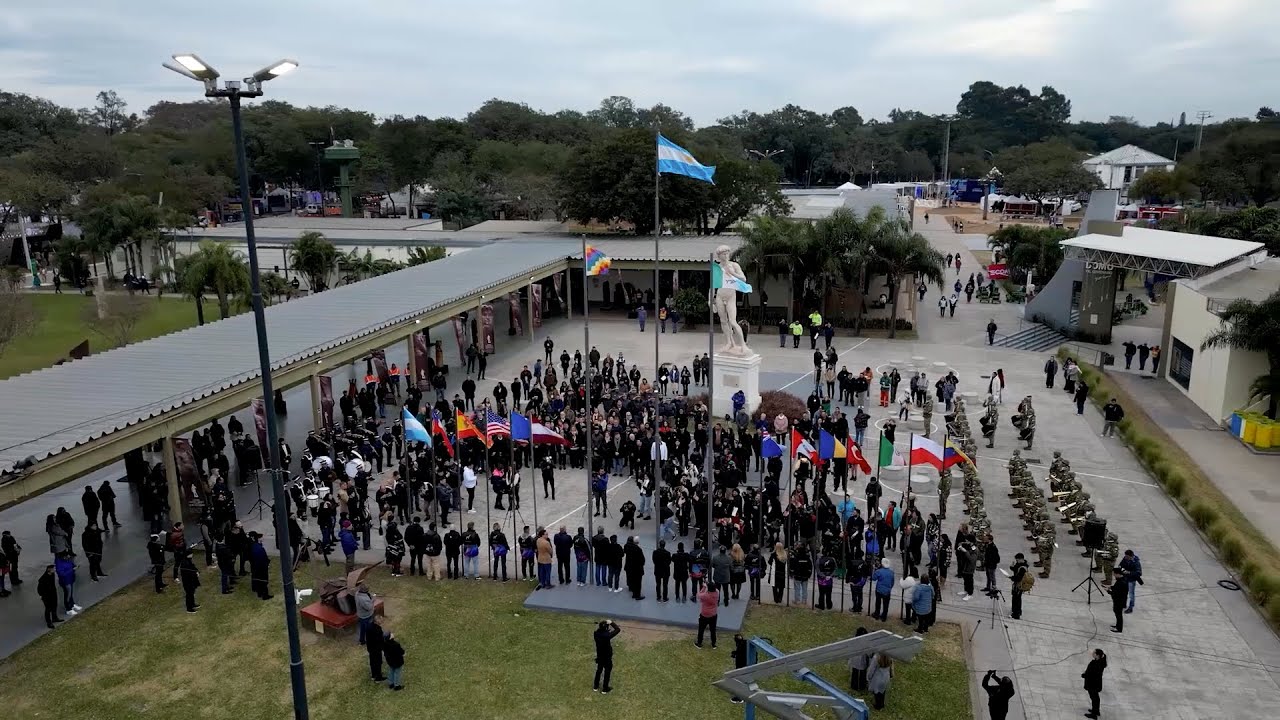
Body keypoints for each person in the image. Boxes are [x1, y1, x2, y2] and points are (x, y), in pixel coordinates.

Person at [593, 620, 621, 693]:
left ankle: (595, 686)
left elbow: (600, 630)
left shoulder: (596, 634)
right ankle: (605, 689)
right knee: (607, 672)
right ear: (606, 628)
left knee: (599, 670)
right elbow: (618, 629)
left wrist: (604, 625)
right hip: (607, 657)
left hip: (599, 656)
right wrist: (611, 622)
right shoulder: (607, 636)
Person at [1082, 648, 1108, 718]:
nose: (1092, 653)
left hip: (1093, 684)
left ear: (1097, 655)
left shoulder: (1097, 664)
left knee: (1094, 698)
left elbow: (1092, 674)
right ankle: (1096, 711)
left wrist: (1084, 675)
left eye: (1094, 653)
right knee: (1095, 698)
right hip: (1095, 683)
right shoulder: (1100, 662)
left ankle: (1094, 714)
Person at [249, 532, 272, 600]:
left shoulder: (254, 546)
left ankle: (259, 593)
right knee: (263, 581)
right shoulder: (259, 548)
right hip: (261, 567)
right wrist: (267, 564)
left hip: (256, 567)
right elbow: (262, 559)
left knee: (258, 580)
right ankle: (265, 595)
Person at [695, 582, 719, 649]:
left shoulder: (705, 596)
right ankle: (713, 644)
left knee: (701, 629)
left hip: (704, 615)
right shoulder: (717, 593)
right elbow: (715, 589)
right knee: (713, 630)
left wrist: (704, 587)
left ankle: (699, 643)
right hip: (713, 615)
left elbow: (698, 595)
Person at [1009, 552, 1029, 619]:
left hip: (1019, 585)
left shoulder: (1023, 568)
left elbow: (1019, 578)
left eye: (1017, 560)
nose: (1016, 561)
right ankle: (1017, 611)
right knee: (1016, 598)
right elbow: (1015, 569)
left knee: (1016, 599)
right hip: (1018, 585)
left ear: (1021, 559)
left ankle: (1016, 614)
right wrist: (1011, 567)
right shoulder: (1020, 565)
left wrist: (1011, 577)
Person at [1109, 566, 1128, 633]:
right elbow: (1116, 588)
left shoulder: (1121, 582)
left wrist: (1108, 591)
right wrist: (1111, 587)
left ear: (1118, 574)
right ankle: (1117, 626)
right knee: (1117, 613)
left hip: (1119, 601)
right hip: (1119, 601)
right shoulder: (1121, 580)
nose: (1114, 575)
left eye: (1114, 574)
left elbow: (1116, 593)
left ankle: (1119, 628)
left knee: (1118, 614)